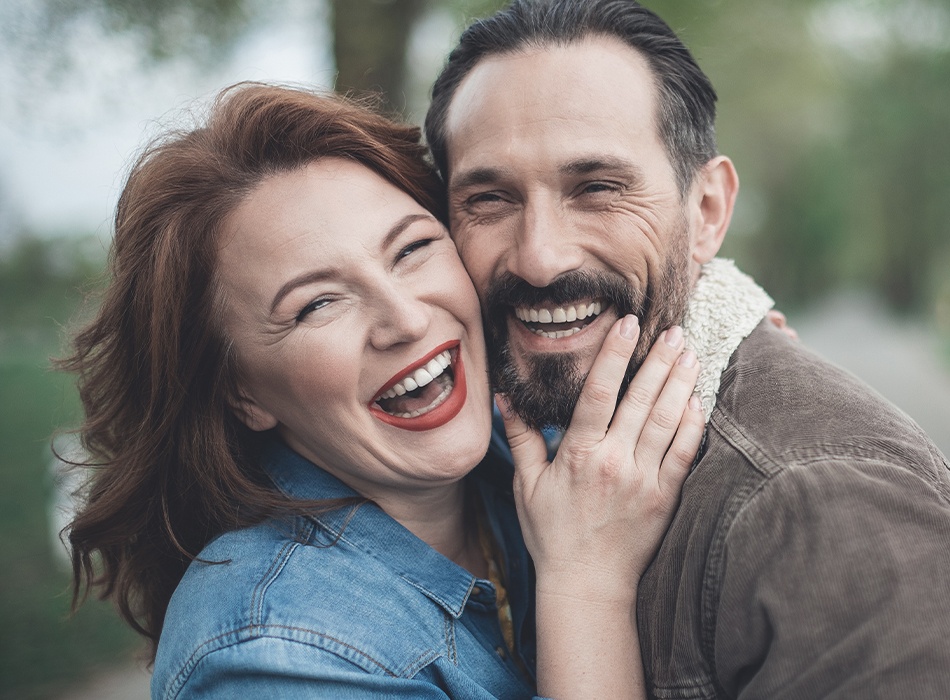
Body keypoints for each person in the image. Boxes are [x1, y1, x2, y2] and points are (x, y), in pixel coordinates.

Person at [62, 82, 708, 698]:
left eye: (411, 249)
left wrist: (732, 325)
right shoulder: (271, 655)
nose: (405, 319)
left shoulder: (527, 438)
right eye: (317, 304)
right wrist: (586, 582)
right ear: (241, 394)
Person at [424, 0, 950, 697]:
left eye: (598, 189)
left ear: (705, 214)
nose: (540, 258)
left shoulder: (821, 503)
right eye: (489, 199)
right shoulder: (498, 433)